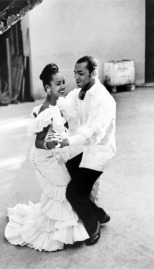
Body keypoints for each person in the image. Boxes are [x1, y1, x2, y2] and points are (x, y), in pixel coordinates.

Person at [4, 63, 90, 252]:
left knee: (69, 186)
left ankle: (64, 227)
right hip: (42, 157)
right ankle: (54, 232)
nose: (62, 86)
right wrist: (51, 144)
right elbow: (38, 143)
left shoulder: (59, 103)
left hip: (54, 153)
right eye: (57, 84)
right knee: (65, 188)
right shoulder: (47, 110)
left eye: (63, 82)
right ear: (47, 87)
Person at [50, 56, 116, 246]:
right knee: (69, 167)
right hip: (86, 149)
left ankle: (93, 225)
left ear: (93, 73)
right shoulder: (79, 92)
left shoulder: (104, 100)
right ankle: (98, 213)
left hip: (100, 152)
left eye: (81, 73)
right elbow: (66, 106)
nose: (76, 77)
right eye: (75, 73)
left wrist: (65, 141)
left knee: (73, 193)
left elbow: (91, 134)